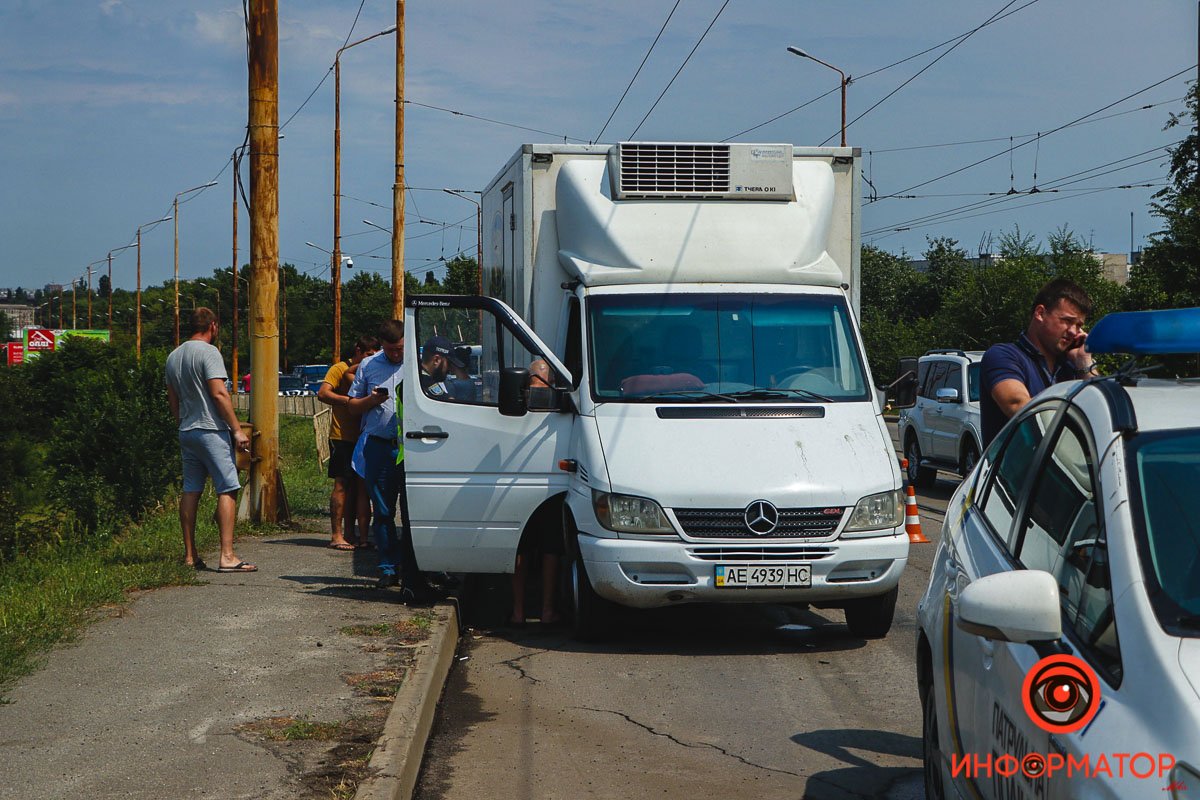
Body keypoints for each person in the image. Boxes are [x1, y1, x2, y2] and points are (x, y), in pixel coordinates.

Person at [347, 321, 438, 601]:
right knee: (384, 511)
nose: (396, 355)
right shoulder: (370, 365)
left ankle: (423, 566)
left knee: (417, 512)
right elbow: (352, 406)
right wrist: (371, 401)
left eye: (399, 349)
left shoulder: (421, 363)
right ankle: (388, 567)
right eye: (390, 350)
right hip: (379, 446)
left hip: (414, 447)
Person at [164, 307, 256, 573]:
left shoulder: (173, 356)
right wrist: (237, 430)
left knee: (191, 489)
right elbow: (219, 394)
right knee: (228, 487)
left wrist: (183, 421)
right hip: (210, 430)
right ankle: (227, 555)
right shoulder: (210, 353)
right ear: (213, 326)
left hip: (187, 430)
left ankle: (190, 555)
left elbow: (173, 401)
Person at [980, 278, 1098, 449]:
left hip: (1065, 473)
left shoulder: (1072, 367)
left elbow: (1100, 413)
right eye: (1067, 321)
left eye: (1079, 325)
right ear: (1040, 313)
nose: (1073, 331)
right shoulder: (1003, 356)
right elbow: (1018, 406)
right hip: (1014, 474)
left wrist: (1084, 363)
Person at [509, 359, 563, 626]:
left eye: (544, 382)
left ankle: (547, 610)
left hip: (551, 488)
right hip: (521, 487)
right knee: (521, 550)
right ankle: (518, 611)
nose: (539, 387)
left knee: (551, 549)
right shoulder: (515, 407)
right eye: (534, 380)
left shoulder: (559, 406)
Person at [317, 336, 378, 550]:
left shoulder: (368, 370)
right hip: (342, 436)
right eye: (368, 355)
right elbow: (323, 393)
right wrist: (350, 402)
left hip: (363, 436)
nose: (371, 360)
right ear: (358, 351)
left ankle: (352, 534)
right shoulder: (339, 368)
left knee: (359, 488)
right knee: (341, 485)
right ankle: (336, 534)